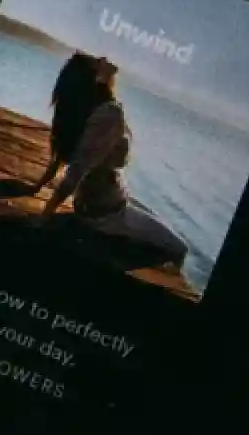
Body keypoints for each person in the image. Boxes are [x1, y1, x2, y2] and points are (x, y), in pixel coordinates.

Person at [42, 54, 189, 272]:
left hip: (100, 203)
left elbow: (62, 158)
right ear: (93, 75)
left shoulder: (79, 106)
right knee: (179, 248)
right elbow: (77, 170)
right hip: (106, 213)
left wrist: (38, 186)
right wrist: (46, 215)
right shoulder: (109, 113)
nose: (105, 58)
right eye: (98, 60)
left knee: (155, 222)